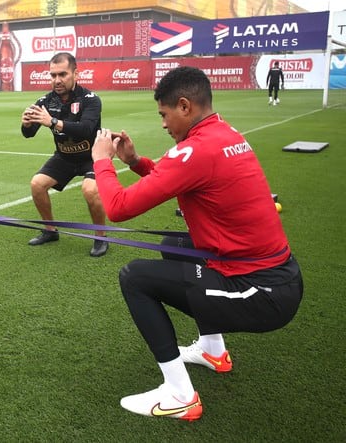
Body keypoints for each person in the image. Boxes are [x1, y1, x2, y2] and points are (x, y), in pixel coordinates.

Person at [91, 66, 303, 420]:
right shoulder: (222, 134)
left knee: (134, 277)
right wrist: (133, 161)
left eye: (164, 114)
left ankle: (180, 394)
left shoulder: (196, 150)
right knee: (173, 244)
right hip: (275, 275)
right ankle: (212, 350)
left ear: (185, 106)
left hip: (263, 292)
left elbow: (117, 208)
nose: (163, 123)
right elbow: (178, 175)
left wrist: (103, 162)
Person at [21, 52, 108, 257]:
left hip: (91, 156)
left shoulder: (90, 99)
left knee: (90, 189)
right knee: (37, 184)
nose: (57, 80)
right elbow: (29, 134)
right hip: (65, 156)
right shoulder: (45, 100)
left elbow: (86, 129)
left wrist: (53, 121)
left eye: (63, 74)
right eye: (53, 75)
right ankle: (50, 231)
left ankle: (101, 237)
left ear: (75, 74)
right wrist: (26, 124)